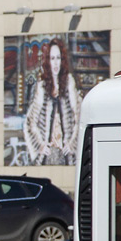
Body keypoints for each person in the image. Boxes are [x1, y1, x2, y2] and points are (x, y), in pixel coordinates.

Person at [23, 38, 80, 166]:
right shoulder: (42, 87)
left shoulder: (69, 84)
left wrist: (72, 144)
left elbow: (80, 117)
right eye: (52, 58)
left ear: (62, 60)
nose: (55, 63)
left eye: (58, 58)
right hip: (47, 156)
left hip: (67, 156)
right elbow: (29, 122)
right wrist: (40, 146)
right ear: (48, 61)